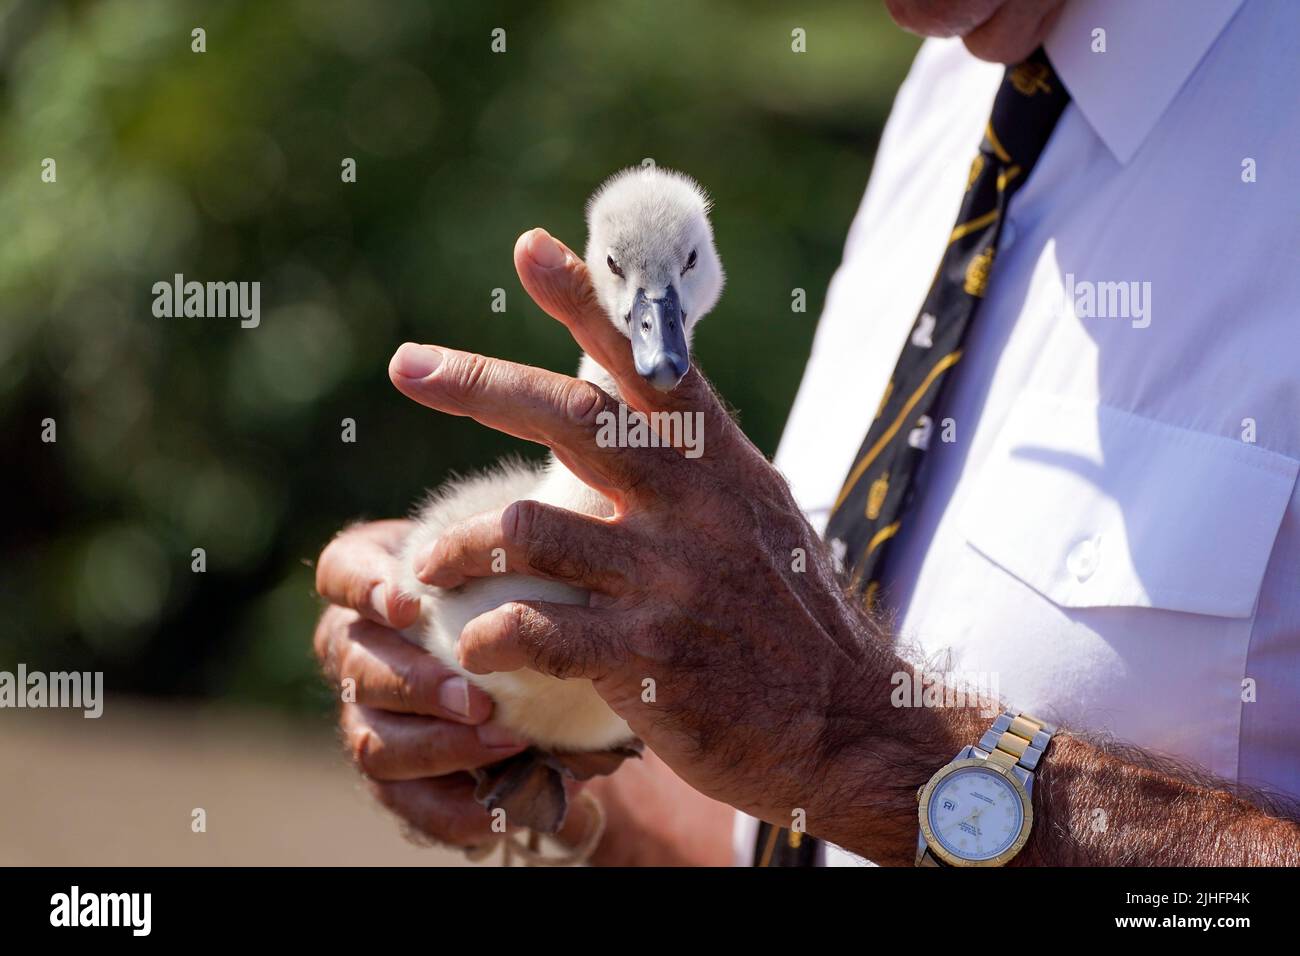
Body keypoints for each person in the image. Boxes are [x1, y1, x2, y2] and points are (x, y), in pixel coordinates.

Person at [311, 0, 1300, 866]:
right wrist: (519, 751)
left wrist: (860, 742)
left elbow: (830, 746)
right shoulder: (957, 96)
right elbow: (793, 835)